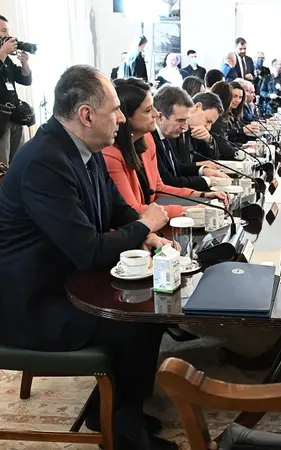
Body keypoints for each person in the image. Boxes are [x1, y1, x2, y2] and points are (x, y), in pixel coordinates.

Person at [0, 65, 176, 450]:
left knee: (153, 309)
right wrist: (145, 223)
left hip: (66, 282)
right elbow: (88, 250)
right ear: (86, 114)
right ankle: (122, 432)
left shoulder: (82, 147)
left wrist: (147, 233)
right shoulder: (45, 161)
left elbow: (115, 207)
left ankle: (118, 410)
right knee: (135, 323)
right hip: (32, 305)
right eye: (115, 110)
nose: (121, 118)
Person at [102, 78, 224, 219]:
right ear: (126, 116)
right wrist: (189, 210)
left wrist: (201, 195)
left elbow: (159, 188)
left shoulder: (147, 139)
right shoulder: (111, 154)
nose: (156, 114)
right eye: (148, 110)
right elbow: (134, 211)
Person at [152, 85, 228, 192]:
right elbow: (169, 181)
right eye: (180, 120)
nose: (184, 126)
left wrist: (203, 170)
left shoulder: (167, 132)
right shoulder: (154, 137)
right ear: (160, 118)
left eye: (186, 120)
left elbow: (177, 168)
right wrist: (208, 181)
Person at [0, 14, 33, 166]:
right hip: (1, 122)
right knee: (3, 166)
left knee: (18, 163)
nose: (8, 35)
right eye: (3, 31)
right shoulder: (3, 56)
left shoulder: (6, 60)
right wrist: (2, 53)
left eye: (8, 31)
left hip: (15, 117)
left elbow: (25, 80)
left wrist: (25, 65)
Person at [188, 91, 225, 161]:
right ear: (197, 107)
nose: (208, 128)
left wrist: (209, 140)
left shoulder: (196, 132)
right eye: (208, 121)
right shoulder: (173, 129)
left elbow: (214, 159)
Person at [209, 81, 238, 159]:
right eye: (233, 97)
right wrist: (240, 152)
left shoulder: (222, 116)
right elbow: (224, 148)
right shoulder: (216, 118)